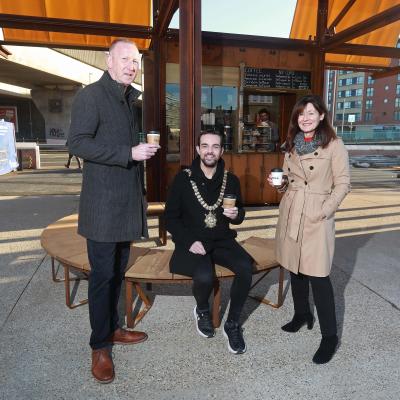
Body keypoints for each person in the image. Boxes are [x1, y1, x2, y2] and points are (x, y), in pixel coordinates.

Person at [68, 38, 160, 384]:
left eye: (135, 61)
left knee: (118, 276)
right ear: (109, 61)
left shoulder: (128, 100)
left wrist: (140, 153)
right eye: (124, 59)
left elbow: (125, 146)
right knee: (103, 280)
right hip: (103, 208)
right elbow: (77, 142)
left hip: (125, 206)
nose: (131, 65)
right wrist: (128, 153)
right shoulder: (91, 96)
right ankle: (99, 346)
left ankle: (114, 328)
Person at [268, 94, 350, 364]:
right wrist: (279, 185)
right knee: (295, 269)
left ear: (322, 116)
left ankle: (329, 337)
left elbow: (343, 184)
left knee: (319, 277)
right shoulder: (291, 144)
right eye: (301, 113)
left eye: (311, 113)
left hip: (316, 215)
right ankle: (302, 314)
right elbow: (289, 181)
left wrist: (324, 211)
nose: (306, 118)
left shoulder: (334, 145)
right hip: (292, 211)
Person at [165, 130, 253, 355]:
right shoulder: (183, 179)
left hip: (222, 240)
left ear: (222, 151)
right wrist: (187, 241)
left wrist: (237, 215)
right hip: (193, 241)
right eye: (205, 146)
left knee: (245, 267)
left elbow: (240, 212)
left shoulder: (231, 180)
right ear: (197, 150)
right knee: (204, 276)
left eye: (215, 146)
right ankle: (202, 309)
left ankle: (232, 323)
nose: (210, 151)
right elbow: (170, 218)